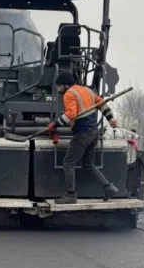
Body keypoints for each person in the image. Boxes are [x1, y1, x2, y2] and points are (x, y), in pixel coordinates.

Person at [47, 70, 121, 204]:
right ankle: (109, 187)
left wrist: (55, 124)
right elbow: (102, 104)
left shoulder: (69, 94)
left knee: (68, 163)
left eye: (58, 86)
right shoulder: (86, 91)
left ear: (65, 85)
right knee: (88, 164)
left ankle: (70, 195)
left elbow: (70, 114)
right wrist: (110, 119)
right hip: (94, 133)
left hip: (82, 134)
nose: (58, 89)